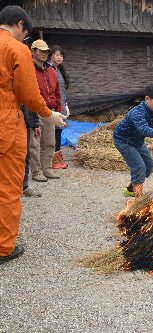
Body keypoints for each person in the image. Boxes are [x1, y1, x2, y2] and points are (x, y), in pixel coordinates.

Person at [0, 5, 66, 264]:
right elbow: (28, 92)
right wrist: (48, 113)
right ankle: (4, 247)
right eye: (25, 34)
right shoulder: (15, 49)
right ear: (19, 24)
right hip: (6, 121)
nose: (24, 39)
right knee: (7, 187)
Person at [29, 39, 62, 182]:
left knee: (49, 142)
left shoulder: (51, 71)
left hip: (49, 110)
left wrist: (59, 108)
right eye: (40, 51)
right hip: (35, 110)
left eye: (45, 51)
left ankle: (47, 169)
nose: (43, 54)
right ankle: (36, 171)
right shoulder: (28, 69)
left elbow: (57, 91)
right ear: (33, 51)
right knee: (34, 143)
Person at [48, 45, 70, 169]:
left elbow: (62, 90)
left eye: (61, 55)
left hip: (61, 105)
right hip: (53, 106)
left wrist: (65, 104)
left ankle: (57, 157)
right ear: (51, 55)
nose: (59, 57)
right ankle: (52, 160)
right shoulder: (48, 69)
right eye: (57, 54)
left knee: (59, 132)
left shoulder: (59, 70)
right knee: (52, 133)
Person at [21, 104, 42, 197]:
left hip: (25, 124)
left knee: (25, 156)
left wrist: (36, 124)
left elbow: (31, 103)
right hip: (8, 124)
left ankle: (24, 186)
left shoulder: (26, 89)